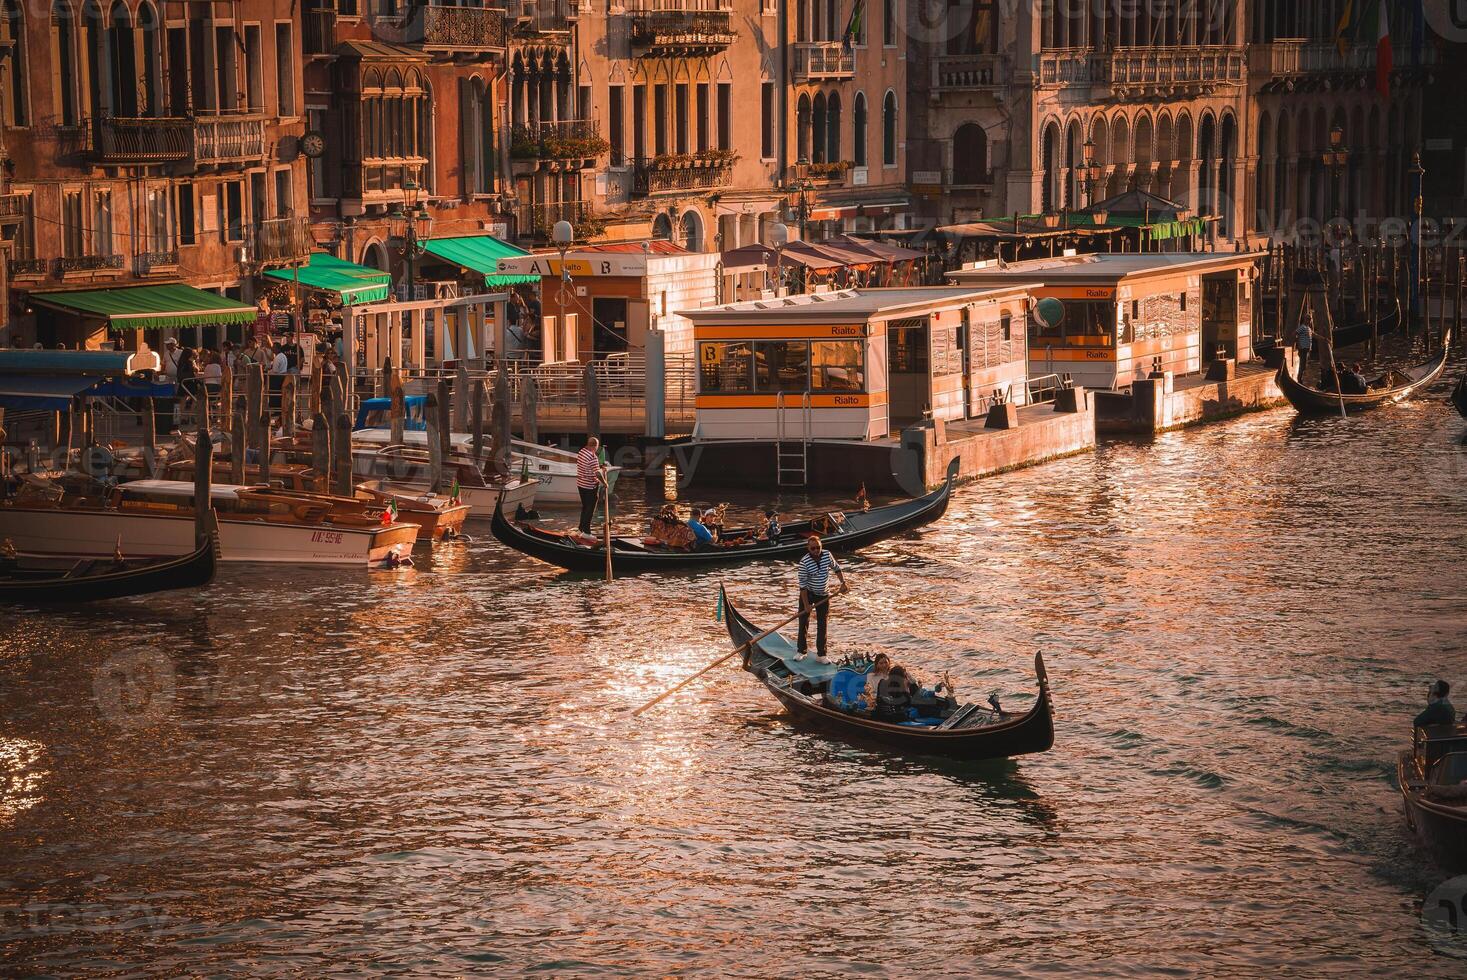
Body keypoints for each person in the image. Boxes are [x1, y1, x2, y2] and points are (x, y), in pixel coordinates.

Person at [795, 533, 848, 662]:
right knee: (803, 622)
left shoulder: (827, 555)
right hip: (808, 593)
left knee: (822, 624)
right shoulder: (804, 562)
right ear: (808, 548)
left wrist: (843, 583)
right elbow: (802, 587)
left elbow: (837, 568)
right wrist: (807, 605)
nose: (816, 550)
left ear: (821, 546)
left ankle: (821, 654)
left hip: (823, 594)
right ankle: (801, 651)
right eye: (813, 548)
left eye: (818, 547)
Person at [575, 436, 605, 535]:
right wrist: (605, 483)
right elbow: (597, 473)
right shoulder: (593, 457)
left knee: (585, 508)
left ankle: (580, 529)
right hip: (590, 486)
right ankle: (587, 532)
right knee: (590, 509)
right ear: (595, 446)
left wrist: (599, 467)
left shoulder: (581, 452)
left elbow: (589, 467)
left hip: (580, 485)